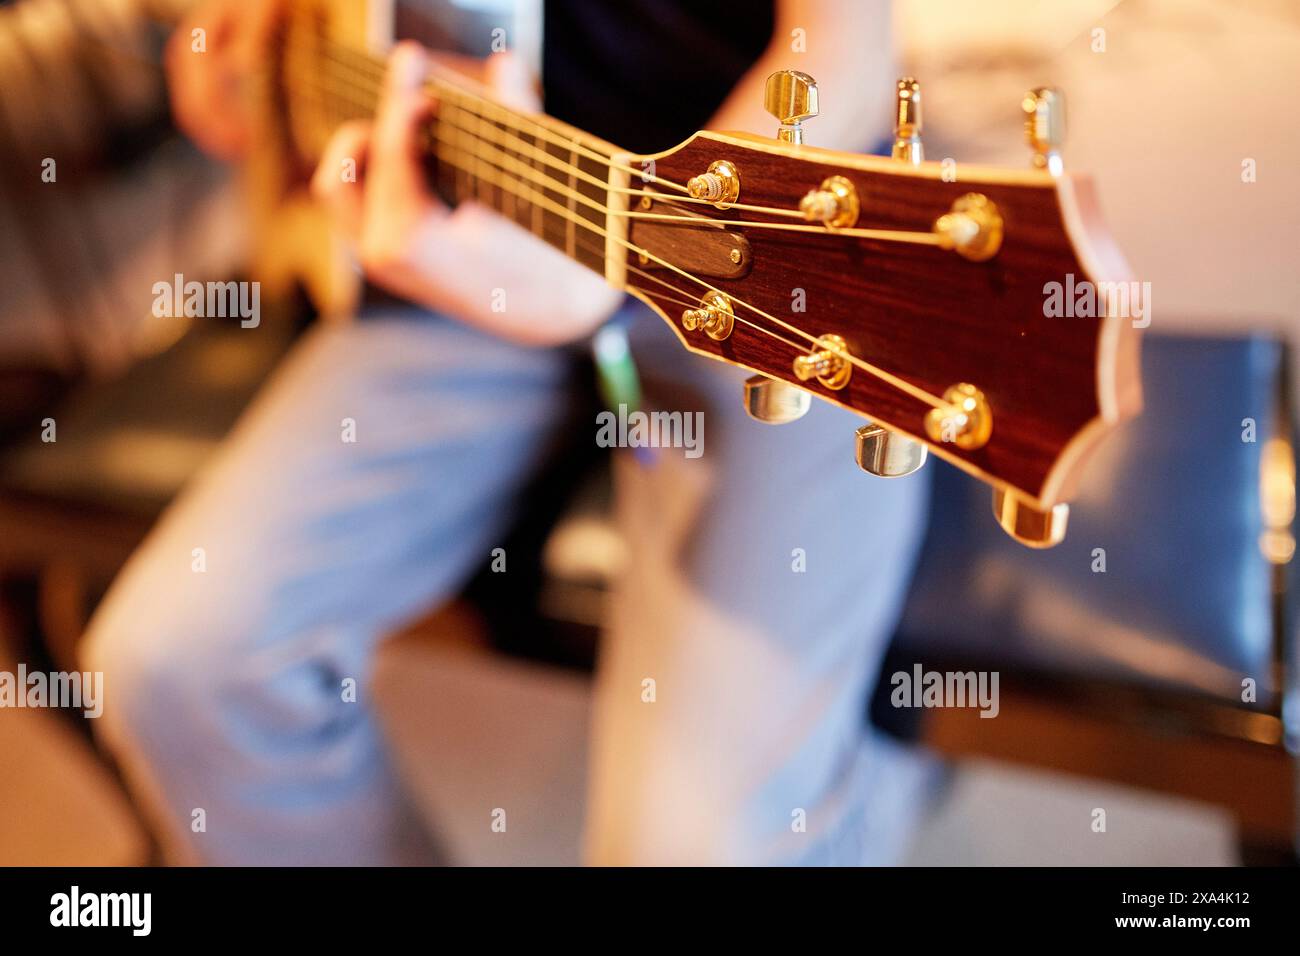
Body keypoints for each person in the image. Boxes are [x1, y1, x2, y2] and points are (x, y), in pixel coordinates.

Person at [82, 0, 938, 865]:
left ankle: (848, 798)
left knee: (694, 852)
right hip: (454, 255)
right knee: (174, 665)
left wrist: (617, 271)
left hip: (751, 256)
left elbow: (846, 40)